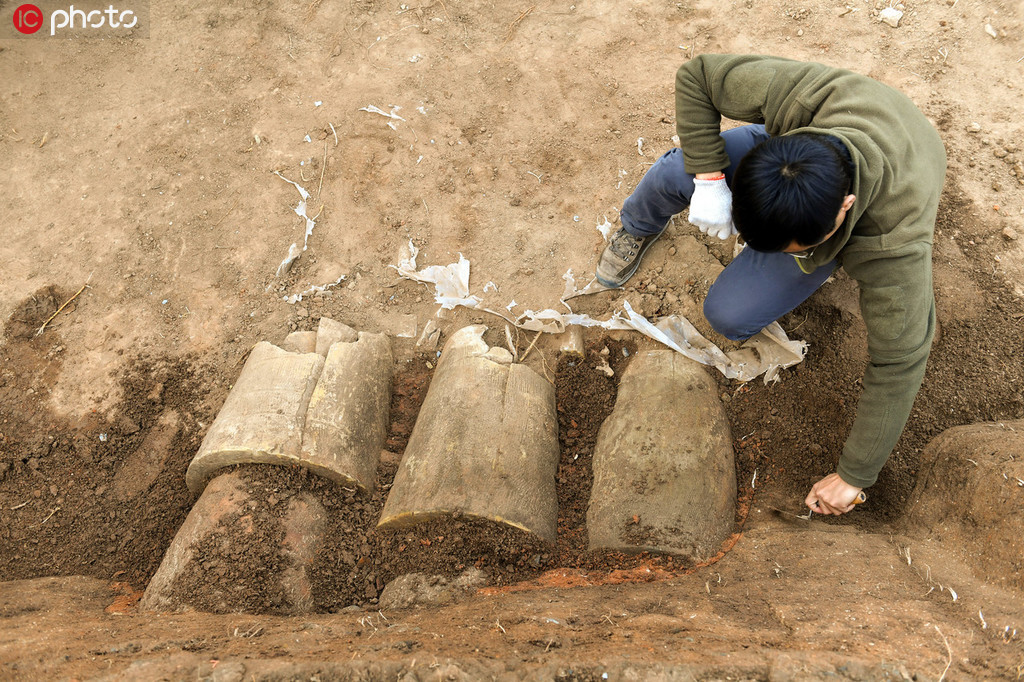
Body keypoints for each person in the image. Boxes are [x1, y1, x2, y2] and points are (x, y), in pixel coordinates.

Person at [595, 54, 946, 516]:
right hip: (813, 152)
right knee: (672, 173)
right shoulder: (807, 96)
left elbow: (900, 361)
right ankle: (638, 226)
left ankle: (807, 252)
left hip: (896, 174)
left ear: (845, 208)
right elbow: (697, 75)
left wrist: (855, 474)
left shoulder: (890, 245)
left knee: (729, 314)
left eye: (792, 246)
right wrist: (709, 180)